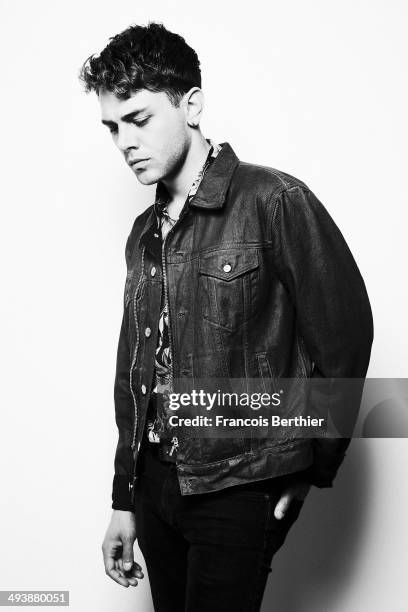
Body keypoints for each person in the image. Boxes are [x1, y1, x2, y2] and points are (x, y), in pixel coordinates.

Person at [79, 21, 374, 612]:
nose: (125, 142)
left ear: (191, 104)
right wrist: (124, 498)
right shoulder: (145, 234)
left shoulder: (274, 200)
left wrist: (308, 465)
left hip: (240, 484)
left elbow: (343, 339)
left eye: (138, 119)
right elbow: (134, 374)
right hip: (157, 483)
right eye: (113, 128)